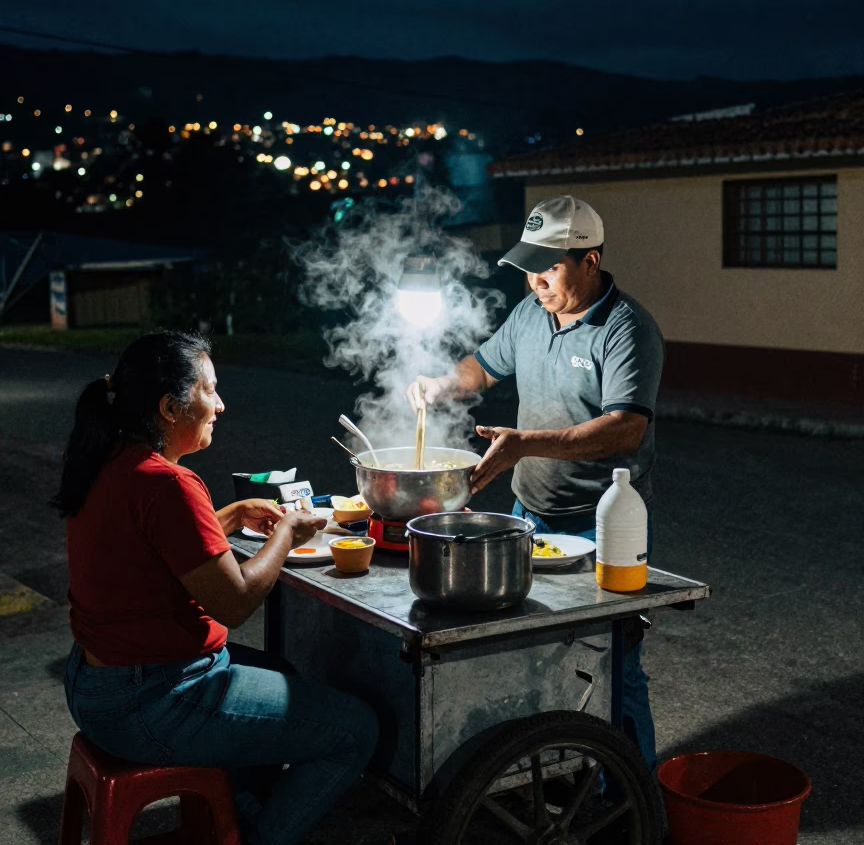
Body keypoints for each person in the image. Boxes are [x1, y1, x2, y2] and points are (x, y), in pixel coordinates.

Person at [54, 330, 378, 845]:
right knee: (356, 730)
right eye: (210, 390)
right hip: (155, 700)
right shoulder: (169, 484)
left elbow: (155, 544)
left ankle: (236, 814)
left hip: (95, 685)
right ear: (169, 406)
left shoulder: (109, 459)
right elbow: (236, 600)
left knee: (283, 672)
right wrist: (290, 533)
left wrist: (227, 515)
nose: (221, 405)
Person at [408, 196, 663, 769]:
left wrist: (525, 442)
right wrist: (441, 384)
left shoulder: (627, 329)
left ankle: (632, 795)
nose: (536, 281)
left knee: (613, 662)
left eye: (549, 268)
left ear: (590, 260)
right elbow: (485, 363)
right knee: (536, 657)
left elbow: (624, 429)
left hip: (604, 523)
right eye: (528, 267)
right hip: (530, 515)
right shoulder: (531, 314)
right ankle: (556, 771)